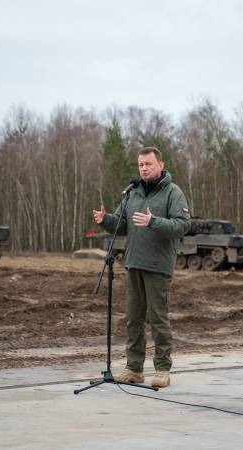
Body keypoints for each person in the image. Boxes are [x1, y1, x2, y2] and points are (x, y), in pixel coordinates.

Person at [93, 147, 191, 388]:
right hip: (134, 263)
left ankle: (162, 370)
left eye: (148, 164)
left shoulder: (172, 192)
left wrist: (153, 222)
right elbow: (122, 225)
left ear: (160, 164)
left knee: (158, 319)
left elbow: (182, 225)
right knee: (133, 320)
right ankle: (134, 368)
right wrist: (105, 220)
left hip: (158, 266)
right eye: (140, 165)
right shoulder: (132, 193)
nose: (144, 168)